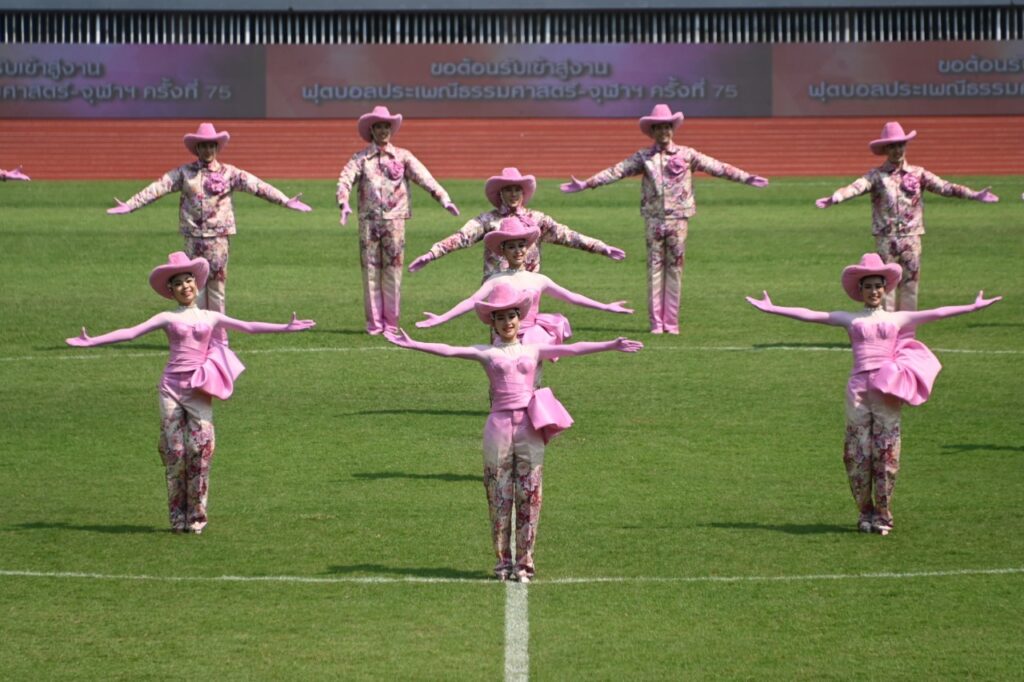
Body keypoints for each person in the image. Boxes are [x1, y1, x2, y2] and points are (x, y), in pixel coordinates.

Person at [385, 283, 643, 581]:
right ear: (492, 323)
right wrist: (414, 344)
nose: (508, 322)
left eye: (512, 316)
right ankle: (503, 562)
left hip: (528, 425)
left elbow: (570, 349)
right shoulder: (487, 352)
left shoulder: (533, 349)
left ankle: (525, 562)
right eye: (501, 317)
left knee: (531, 492)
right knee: (498, 493)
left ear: (519, 318)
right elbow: (449, 350)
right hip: (498, 427)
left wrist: (610, 344)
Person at [745, 252, 1001, 535]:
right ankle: (864, 512)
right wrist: (773, 308)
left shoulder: (897, 319)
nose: (874, 291)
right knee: (856, 454)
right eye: (868, 286)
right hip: (857, 391)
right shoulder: (850, 320)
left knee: (887, 453)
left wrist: (973, 307)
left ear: (885, 288)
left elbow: (937, 313)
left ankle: (883, 515)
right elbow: (810, 315)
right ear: (860, 290)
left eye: (878, 286)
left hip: (886, 390)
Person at [66, 252, 315, 534]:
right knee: (175, 453)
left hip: (198, 389)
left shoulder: (210, 317)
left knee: (200, 450)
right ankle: (177, 518)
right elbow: (131, 333)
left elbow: (247, 327)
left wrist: (286, 327)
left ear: (196, 284)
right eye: (179, 283)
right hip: (170, 389)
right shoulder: (166, 318)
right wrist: (93, 341)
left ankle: (197, 517)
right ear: (170, 291)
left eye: (189, 280)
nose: (185, 286)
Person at [560, 103, 768, 334]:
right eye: (658, 127)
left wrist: (745, 178)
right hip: (654, 220)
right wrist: (588, 183)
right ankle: (656, 323)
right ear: (652, 131)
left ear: (672, 128)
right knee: (655, 269)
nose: (663, 132)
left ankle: (671, 322)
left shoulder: (687, 155)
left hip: (679, 220)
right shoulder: (644, 157)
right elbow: (617, 171)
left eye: (667, 127)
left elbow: (716, 167)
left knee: (675, 269)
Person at [106, 122, 312, 345]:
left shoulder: (230, 173)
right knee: (195, 290)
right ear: (197, 148)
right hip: (194, 239)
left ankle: (219, 338)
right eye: (203, 146)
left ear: (217, 147)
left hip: (219, 240)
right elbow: (158, 187)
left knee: (217, 290)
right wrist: (131, 204)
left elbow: (258, 186)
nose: (207, 150)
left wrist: (284, 200)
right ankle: (197, 335)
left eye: (211, 145)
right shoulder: (184, 173)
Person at [815, 121, 999, 312]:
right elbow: (856, 187)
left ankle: (906, 334)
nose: (897, 150)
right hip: (885, 239)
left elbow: (945, 187)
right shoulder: (876, 176)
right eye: (892, 146)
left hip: (912, 238)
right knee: (885, 288)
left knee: (910, 285)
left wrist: (974, 194)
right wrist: (835, 197)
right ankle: (886, 330)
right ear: (886, 149)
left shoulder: (918, 174)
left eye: (900, 145)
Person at [416, 216, 633, 352]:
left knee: (532, 384)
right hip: (503, 337)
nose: (518, 251)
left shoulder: (539, 279)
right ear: (503, 251)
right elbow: (472, 301)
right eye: (512, 247)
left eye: (522, 245)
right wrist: (442, 318)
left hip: (532, 340)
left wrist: (605, 307)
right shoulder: (496, 279)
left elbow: (571, 297)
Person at [336, 105, 461, 335]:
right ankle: (374, 324)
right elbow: (345, 179)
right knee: (371, 272)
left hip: (395, 222)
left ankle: (391, 324)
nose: (383, 130)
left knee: (393, 273)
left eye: (386, 126)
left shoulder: (403, 157)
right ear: (371, 130)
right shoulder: (362, 158)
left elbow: (425, 178)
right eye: (379, 126)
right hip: (369, 222)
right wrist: (343, 202)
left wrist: (444, 198)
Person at [407, 167, 626, 282]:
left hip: (529, 285)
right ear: (500, 193)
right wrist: (432, 253)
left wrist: (601, 247)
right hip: (497, 286)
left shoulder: (537, 219)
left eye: (517, 189)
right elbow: (460, 237)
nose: (513, 194)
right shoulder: (488, 220)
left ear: (523, 192)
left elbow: (569, 236)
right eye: (508, 190)